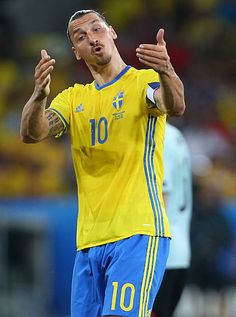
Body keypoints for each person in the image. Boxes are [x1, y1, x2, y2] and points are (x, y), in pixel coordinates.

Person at [20, 9, 185, 317]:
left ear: (112, 33)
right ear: (76, 53)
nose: (91, 38)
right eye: (80, 37)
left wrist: (167, 71)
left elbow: (173, 105)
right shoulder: (71, 99)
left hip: (137, 232)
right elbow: (33, 133)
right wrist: (39, 96)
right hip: (89, 242)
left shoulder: (142, 82)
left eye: (97, 29)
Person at [152, 123, 192, 317]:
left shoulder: (160, 135)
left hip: (161, 255)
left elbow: (161, 197)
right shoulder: (175, 134)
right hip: (178, 251)